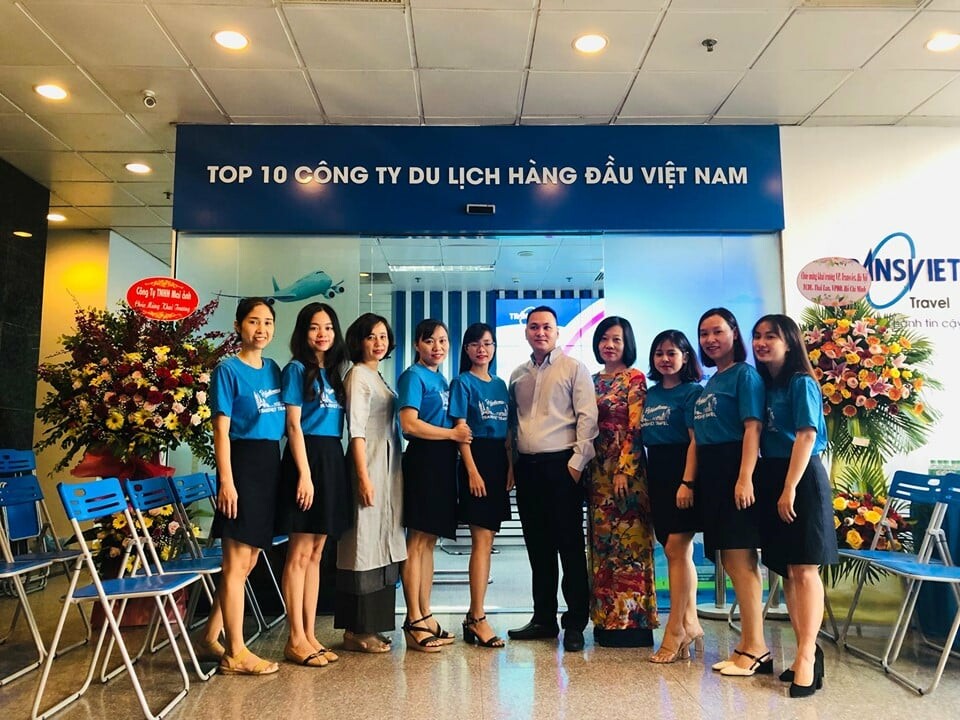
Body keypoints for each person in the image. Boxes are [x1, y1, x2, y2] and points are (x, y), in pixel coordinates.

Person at [752, 314, 837, 697]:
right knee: (788, 570)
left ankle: (805, 656)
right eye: (757, 336)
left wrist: (789, 487)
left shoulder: (801, 382)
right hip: (773, 475)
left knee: (804, 568)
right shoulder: (767, 386)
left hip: (800, 476)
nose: (761, 342)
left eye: (771, 336)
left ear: (789, 342)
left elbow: (806, 436)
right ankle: (808, 650)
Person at [507, 306, 599, 652]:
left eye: (546, 327)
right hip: (528, 469)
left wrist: (575, 465)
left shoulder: (574, 368)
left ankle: (575, 623)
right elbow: (513, 424)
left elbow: (588, 418)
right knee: (538, 548)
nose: (540, 332)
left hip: (562, 467)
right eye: (534, 327)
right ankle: (543, 619)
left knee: (570, 548)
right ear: (526, 332)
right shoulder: (517, 375)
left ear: (557, 332)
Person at [204, 297, 284, 675]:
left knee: (249, 559)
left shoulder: (274, 369)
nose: (261, 329)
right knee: (235, 563)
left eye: (267, 322)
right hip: (242, 464)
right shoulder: (227, 370)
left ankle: (210, 635)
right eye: (253, 321)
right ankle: (235, 653)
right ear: (238, 326)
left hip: (269, 464)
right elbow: (220, 431)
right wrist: (227, 481)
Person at [693, 307, 769, 677]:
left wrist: (745, 477)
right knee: (730, 561)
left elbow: (753, 428)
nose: (710, 340)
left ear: (734, 333)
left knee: (742, 560)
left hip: (734, 468)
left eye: (717, 331)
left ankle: (756, 647)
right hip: (712, 472)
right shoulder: (713, 380)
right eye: (704, 333)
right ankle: (745, 647)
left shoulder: (745, 375)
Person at [277, 302, 351, 667]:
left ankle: (309, 634)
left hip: (332, 457)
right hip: (305, 459)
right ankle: (294, 638)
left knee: (318, 553)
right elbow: (293, 425)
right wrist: (304, 474)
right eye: (314, 327)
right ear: (303, 332)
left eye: (328, 328)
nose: (322, 334)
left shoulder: (335, 374)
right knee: (299, 552)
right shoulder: (296, 370)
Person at [397, 319, 472, 652]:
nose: (437, 347)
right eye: (430, 341)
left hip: (442, 461)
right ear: (417, 344)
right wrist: (452, 434)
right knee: (416, 543)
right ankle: (413, 619)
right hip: (423, 459)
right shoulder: (413, 376)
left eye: (442, 341)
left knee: (429, 543)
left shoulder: (440, 379)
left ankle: (425, 613)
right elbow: (409, 424)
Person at [334, 313, 406, 653]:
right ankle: (356, 630)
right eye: (371, 337)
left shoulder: (377, 375)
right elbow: (356, 430)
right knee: (362, 544)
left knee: (383, 541)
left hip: (388, 467)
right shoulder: (358, 376)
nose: (378, 343)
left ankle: (372, 627)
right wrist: (362, 477)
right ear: (358, 341)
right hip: (369, 464)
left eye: (383, 336)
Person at [587, 316, 659, 648]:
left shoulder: (634, 378)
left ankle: (635, 624)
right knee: (603, 548)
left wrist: (624, 470)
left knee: (631, 548)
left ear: (626, 343)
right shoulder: (591, 381)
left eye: (616, 339)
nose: (609, 345)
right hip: (597, 475)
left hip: (627, 475)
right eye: (604, 338)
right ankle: (606, 622)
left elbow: (635, 427)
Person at [642, 330, 705, 663]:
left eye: (672, 353)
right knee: (678, 552)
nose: (665, 359)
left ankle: (676, 629)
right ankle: (691, 622)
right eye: (659, 353)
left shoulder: (693, 393)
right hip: (657, 473)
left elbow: (696, 441)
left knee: (675, 549)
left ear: (685, 357)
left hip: (683, 471)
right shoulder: (649, 394)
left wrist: (688, 482)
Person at [449, 322, 512, 648]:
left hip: (499, 462)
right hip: (476, 459)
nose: (482, 349)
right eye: (475, 344)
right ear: (467, 349)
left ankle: (474, 616)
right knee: (481, 540)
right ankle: (477, 616)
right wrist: (472, 471)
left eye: (487, 343)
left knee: (489, 539)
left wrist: (511, 467)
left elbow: (509, 432)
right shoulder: (462, 382)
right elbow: (461, 432)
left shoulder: (501, 385)